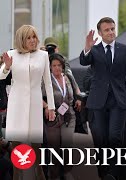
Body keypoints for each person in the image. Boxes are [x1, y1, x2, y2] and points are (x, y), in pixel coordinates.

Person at [79, 17, 126, 180]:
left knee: (115, 137)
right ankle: (103, 174)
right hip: (98, 101)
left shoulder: (125, 49)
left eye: (112, 28)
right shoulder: (95, 50)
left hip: (118, 101)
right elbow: (84, 61)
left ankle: (113, 174)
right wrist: (87, 47)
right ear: (100, 33)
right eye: (107, 30)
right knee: (100, 139)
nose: (111, 32)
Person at [0, 24, 55, 180]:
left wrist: (51, 107)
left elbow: (48, 83)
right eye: (28, 37)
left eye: (34, 37)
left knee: (36, 150)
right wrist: (6, 67)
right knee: (17, 150)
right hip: (17, 104)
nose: (32, 40)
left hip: (35, 105)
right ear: (21, 39)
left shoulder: (43, 56)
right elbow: (1, 76)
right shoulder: (12, 54)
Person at [42, 53, 82, 180]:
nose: (57, 68)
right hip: (53, 118)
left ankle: (66, 172)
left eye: (59, 65)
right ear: (50, 67)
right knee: (54, 149)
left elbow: (77, 90)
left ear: (63, 66)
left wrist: (79, 99)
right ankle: (53, 175)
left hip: (69, 117)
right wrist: (46, 106)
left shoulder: (68, 77)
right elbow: (37, 95)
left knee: (67, 146)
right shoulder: (45, 81)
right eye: (54, 65)